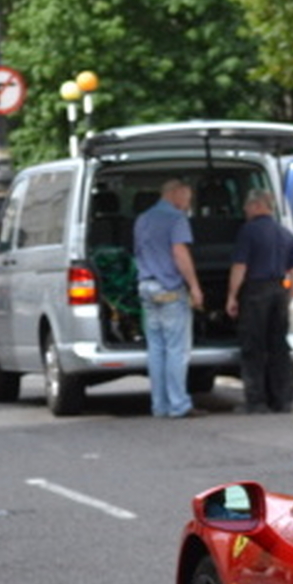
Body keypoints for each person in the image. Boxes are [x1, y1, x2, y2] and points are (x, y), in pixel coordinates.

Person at [132, 178, 204, 418]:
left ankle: (159, 405)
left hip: (146, 288)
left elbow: (139, 253)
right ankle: (178, 404)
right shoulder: (176, 219)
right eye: (187, 198)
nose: (188, 204)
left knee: (156, 349)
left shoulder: (142, 219)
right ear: (175, 194)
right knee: (176, 349)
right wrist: (194, 286)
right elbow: (179, 253)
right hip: (170, 289)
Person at [226, 189, 293, 414]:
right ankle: (283, 400)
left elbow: (240, 267)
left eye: (247, 206)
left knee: (253, 347)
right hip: (279, 292)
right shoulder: (286, 234)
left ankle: (256, 401)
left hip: (255, 292)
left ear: (258, 206)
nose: (245, 210)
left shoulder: (248, 232)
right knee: (279, 346)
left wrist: (232, 295)